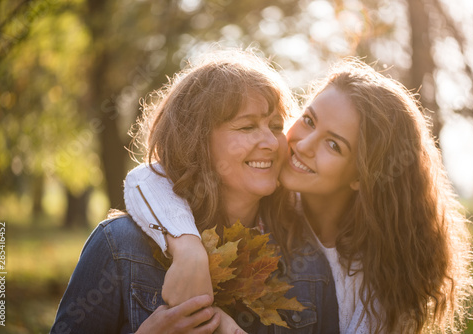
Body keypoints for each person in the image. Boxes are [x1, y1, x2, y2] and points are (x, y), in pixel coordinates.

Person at [124, 58, 473, 333]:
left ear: (362, 175)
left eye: (333, 144)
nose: (302, 145)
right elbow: (149, 178)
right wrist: (188, 250)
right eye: (308, 120)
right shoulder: (269, 190)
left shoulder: (383, 271)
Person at [51, 49, 340, 334]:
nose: (271, 142)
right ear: (196, 142)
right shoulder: (119, 246)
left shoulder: (308, 266)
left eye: (276, 126)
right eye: (247, 127)